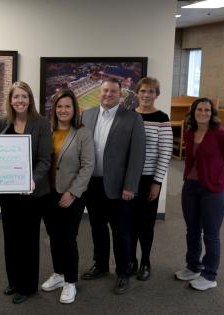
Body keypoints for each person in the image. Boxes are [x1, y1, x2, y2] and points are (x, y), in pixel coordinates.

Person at [80, 78, 145, 294]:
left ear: (120, 95)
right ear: (99, 93)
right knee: (97, 228)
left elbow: (137, 156)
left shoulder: (133, 118)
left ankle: (123, 273)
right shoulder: (87, 115)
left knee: (121, 232)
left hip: (118, 188)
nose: (108, 94)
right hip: (92, 185)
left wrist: (130, 186)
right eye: (105, 91)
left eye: (113, 92)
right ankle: (100, 265)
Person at [0, 81, 53, 304]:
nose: (20, 101)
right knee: (10, 238)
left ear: (30, 100)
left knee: (28, 241)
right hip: (9, 193)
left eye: (24, 97)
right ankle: (14, 281)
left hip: (32, 192)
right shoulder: (4, 122)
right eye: (16, 97)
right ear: (10, 101)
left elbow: (45, 159)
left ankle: (28, 287)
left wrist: (32, 180)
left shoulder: (40, 124)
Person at [174, 98, 224, 291]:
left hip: (214, 190)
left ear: (212, 113)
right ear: (193, 112)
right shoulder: (190, 132)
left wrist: (220, 179)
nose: (203, 113)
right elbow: (190, 159)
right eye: (199, 109)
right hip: (191, 187)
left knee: (210, 234)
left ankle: (210, 275)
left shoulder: (221, 134)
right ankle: (193, 266)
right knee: (192, 230)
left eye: (207, 110)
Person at [40, 90, 94, 304]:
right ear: (54, 109)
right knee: (53, 236)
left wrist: (72, 193)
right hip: (48, 193)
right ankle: (59, 274)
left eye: (67, 106)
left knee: (68, 238)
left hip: (72, 194)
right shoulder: (47, 130)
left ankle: (71, 281)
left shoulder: (83, 133)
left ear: (74, 110)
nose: (63, 110)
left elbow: (88, 166)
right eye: (59, 106)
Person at [129, 77, 173, 281]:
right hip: (129, 180)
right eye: (143, 91)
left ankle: (145, 261)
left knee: (146, 224)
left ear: (157, 95)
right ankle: (131, 260)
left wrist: (157, 182)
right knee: (129, 224)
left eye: (151, 92)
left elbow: (165, 153)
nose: (146, 95)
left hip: (149, 180)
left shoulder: (162, 118)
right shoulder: (128, 116)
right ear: (137, 93)